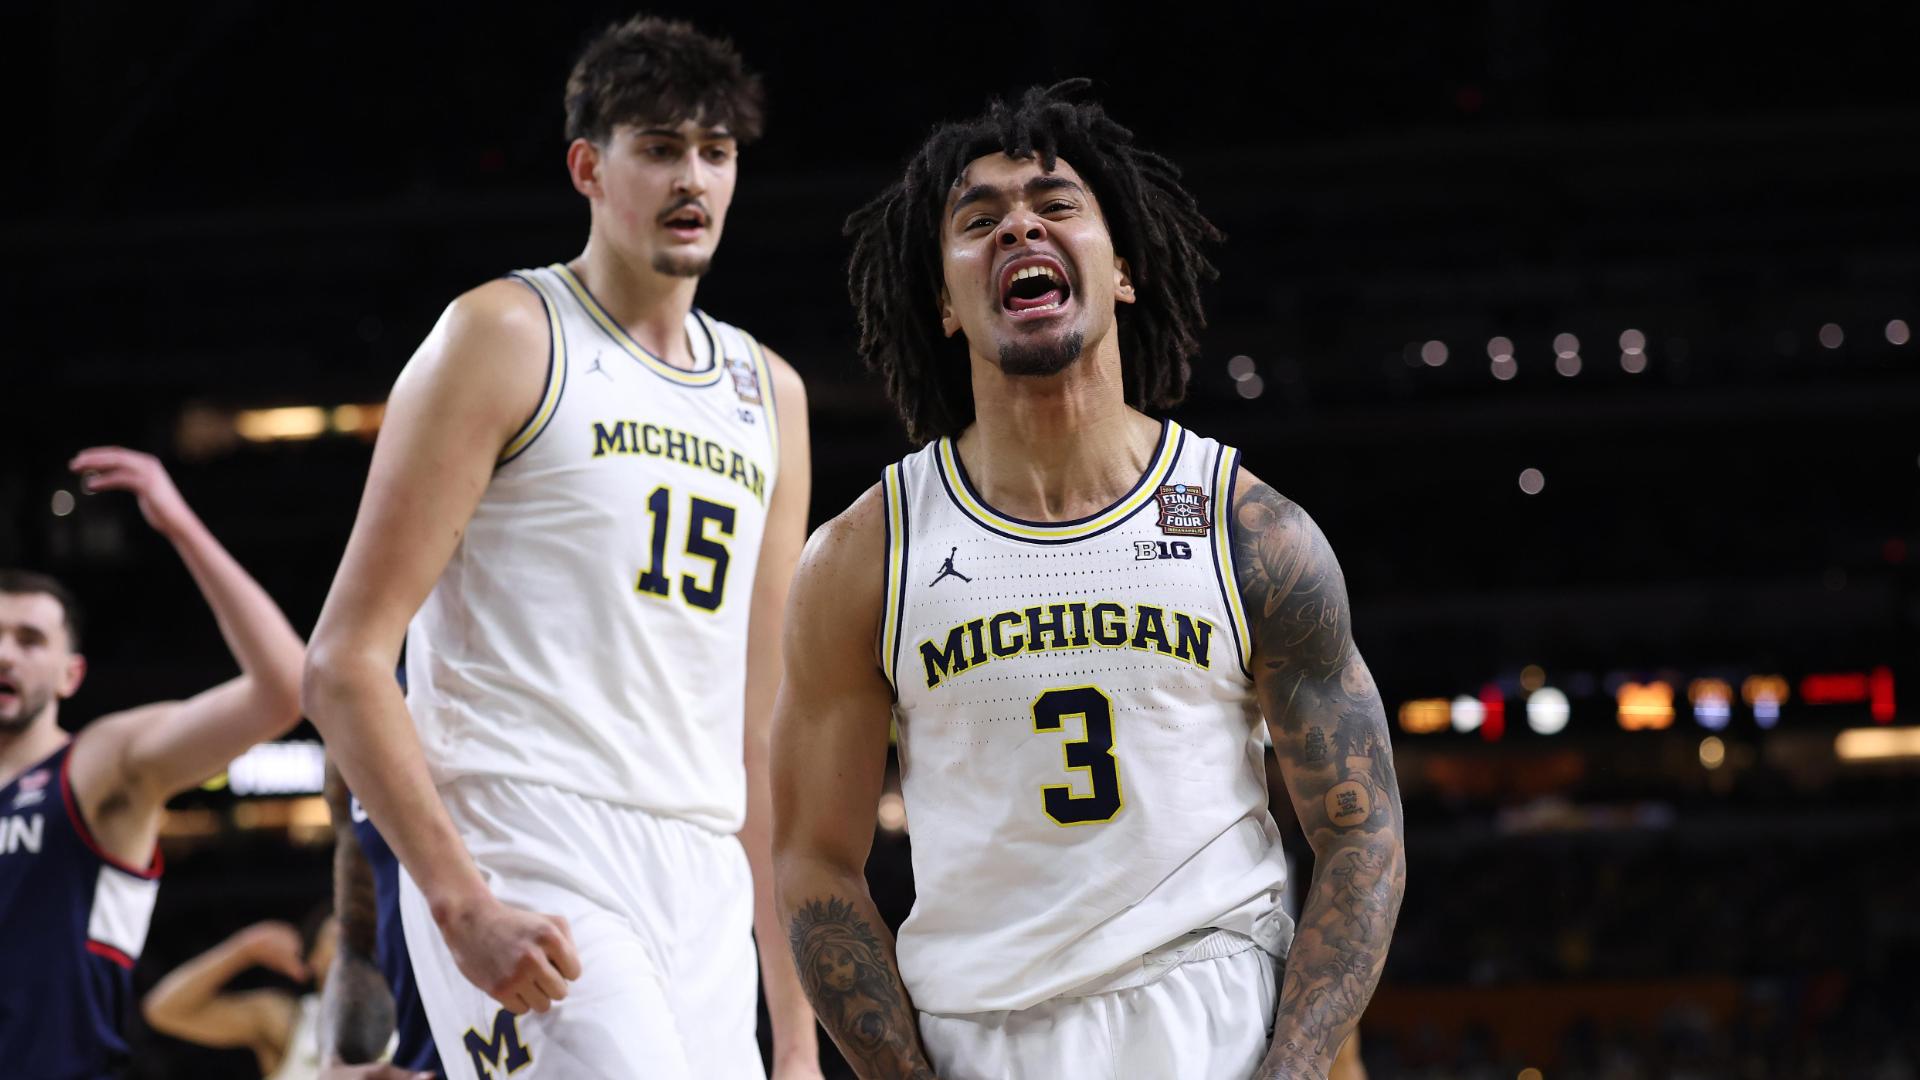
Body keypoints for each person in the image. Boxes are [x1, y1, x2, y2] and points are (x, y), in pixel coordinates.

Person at [773, 81, 1407, 1080]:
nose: (1018, 226)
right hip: (983, 1033)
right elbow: (814, 861)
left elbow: (1361, 829)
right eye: (977, 219)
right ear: (943, 303)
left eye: (1055, 203)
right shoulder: (866, 555)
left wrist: (1294, 1067)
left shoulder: (1249, 530)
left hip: (1213, 1017)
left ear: (1123, 270)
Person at [302, 15, 817, 1080]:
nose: (693, 178)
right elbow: (342, 661)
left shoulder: (770, 393)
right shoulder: (505, 333)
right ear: (588, 167)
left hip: (702, 870)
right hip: (521, 834)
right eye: (660, 148)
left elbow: (762, 734)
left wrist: (800, 1041)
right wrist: (459, 905)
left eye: (716, 152)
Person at [0, 447, 307, 1078]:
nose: (4, 655)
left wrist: (179, 525)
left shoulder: (97, 764)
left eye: (29, 640)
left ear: (70, 674)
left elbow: (283, 690)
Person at [318, 757, 443, 1080]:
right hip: (423, 1064)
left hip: (543, 1032)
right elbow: (358, 943)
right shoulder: (346, 748)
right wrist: (336, 1062)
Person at [142, 910, 343, 1080]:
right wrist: (247, 947)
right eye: (339, 938)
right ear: (313, 959)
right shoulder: (290, 1019)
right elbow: (164, 1010)